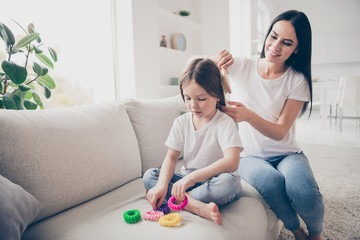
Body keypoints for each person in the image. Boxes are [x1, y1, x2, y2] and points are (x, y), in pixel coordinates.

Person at [216, 10, 324, 240]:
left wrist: (247, 116)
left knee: (305, 194)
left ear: (297, 49)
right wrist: (218, 64)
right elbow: (199, 69)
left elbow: (280, 132)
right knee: (270, 181)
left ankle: (317, 234)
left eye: (286, 43)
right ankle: (297, 231)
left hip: (286, 153)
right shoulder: (242, 65)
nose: (275, 47)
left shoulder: (297, 80)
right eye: (273, 36)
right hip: (247, 155)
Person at [143, 58, 243, 225]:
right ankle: (194, 205)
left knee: (229, 185)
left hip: (213, 180)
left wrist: (192, 179)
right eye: (187, 98)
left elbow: (232, 162)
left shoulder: (224, 122)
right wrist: (161, 185)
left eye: (201, 99)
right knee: (150, 176)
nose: (193, 105)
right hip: (186, 180)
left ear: (217, 95)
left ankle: (183, 200)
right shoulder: (181, 122)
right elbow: (171, 158)